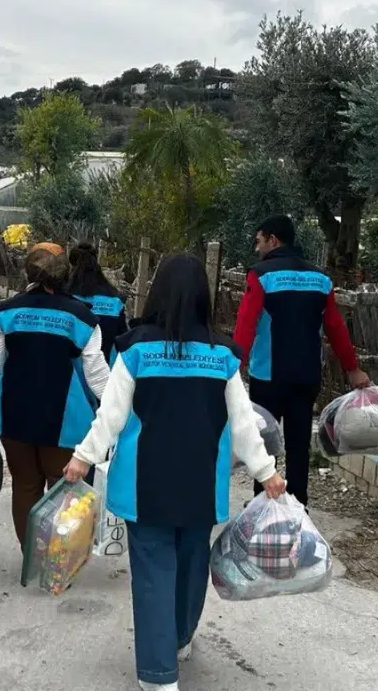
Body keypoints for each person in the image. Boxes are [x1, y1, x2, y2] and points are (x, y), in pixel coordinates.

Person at [62, 254, 287, 691]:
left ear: (157, 292)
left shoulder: (135, 350)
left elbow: (110, 416)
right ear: (204, 296)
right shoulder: (222, 356)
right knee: (191, 564)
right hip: (201, 485)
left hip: (144, 486)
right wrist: (267, 472)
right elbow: (244, 424)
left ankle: (158, 674)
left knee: (153, 572)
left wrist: (83, 457)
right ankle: (181, 638)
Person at [0, 243, 111, 551]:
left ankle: (32, 556)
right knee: (61, 490)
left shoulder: (7, 311)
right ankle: (56, 562)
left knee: (26, 486)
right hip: (63, 419)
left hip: (14, 413)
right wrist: (116, 411)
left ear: (28, 271)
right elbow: (97, 375)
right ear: (65, 274)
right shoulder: (81, 317)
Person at [233, 216, 369, 507]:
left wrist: (234, 367)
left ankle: (262, 507)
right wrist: (353, 369)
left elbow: (246, 324)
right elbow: (335, 328)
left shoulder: (260, 275)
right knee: (298, 446)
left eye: (259, 241)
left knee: (264, 442)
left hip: (267, 376)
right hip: (306, 376)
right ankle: (298, 508)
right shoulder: (320, 279)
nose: (257, 248)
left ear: (273, 240)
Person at [67, 242, 129, 363]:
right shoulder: (115, 300)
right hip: (106, 369)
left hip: (72, 371)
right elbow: (122, 339)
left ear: (72, 265)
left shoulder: (65, 297)